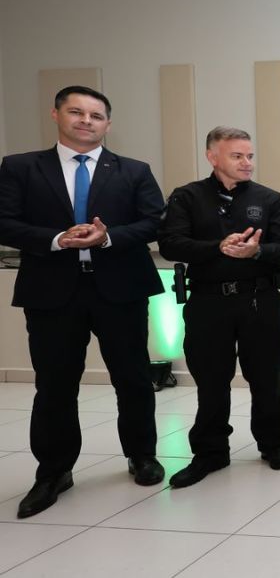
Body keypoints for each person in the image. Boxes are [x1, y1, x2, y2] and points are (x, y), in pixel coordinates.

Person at [0, 86, 165, 518]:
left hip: (120, 289)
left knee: (132, 378)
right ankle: (53, 471)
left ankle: (142, 455)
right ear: (55, 115)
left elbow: (154, 221)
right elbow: (5, 222)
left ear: (108, 124)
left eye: (96, 115)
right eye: (76, 112)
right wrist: (57, 238)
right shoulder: (20, 167)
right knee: (54, 385)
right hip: (52, 291)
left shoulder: (134, 170)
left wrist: (108, 237)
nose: (86, 121)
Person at [158, 126, 280, 487]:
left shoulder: (271, 199)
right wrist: (216, 247)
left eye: (250, 156)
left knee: (266, 378)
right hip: (207, 302)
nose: (247, 162)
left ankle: (273, 444)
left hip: (260, 300)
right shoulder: (186, 197)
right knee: (211, 381)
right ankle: (210, 452)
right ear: (212, 156)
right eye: (237, 156)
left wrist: (257, 251)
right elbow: (170, 244)